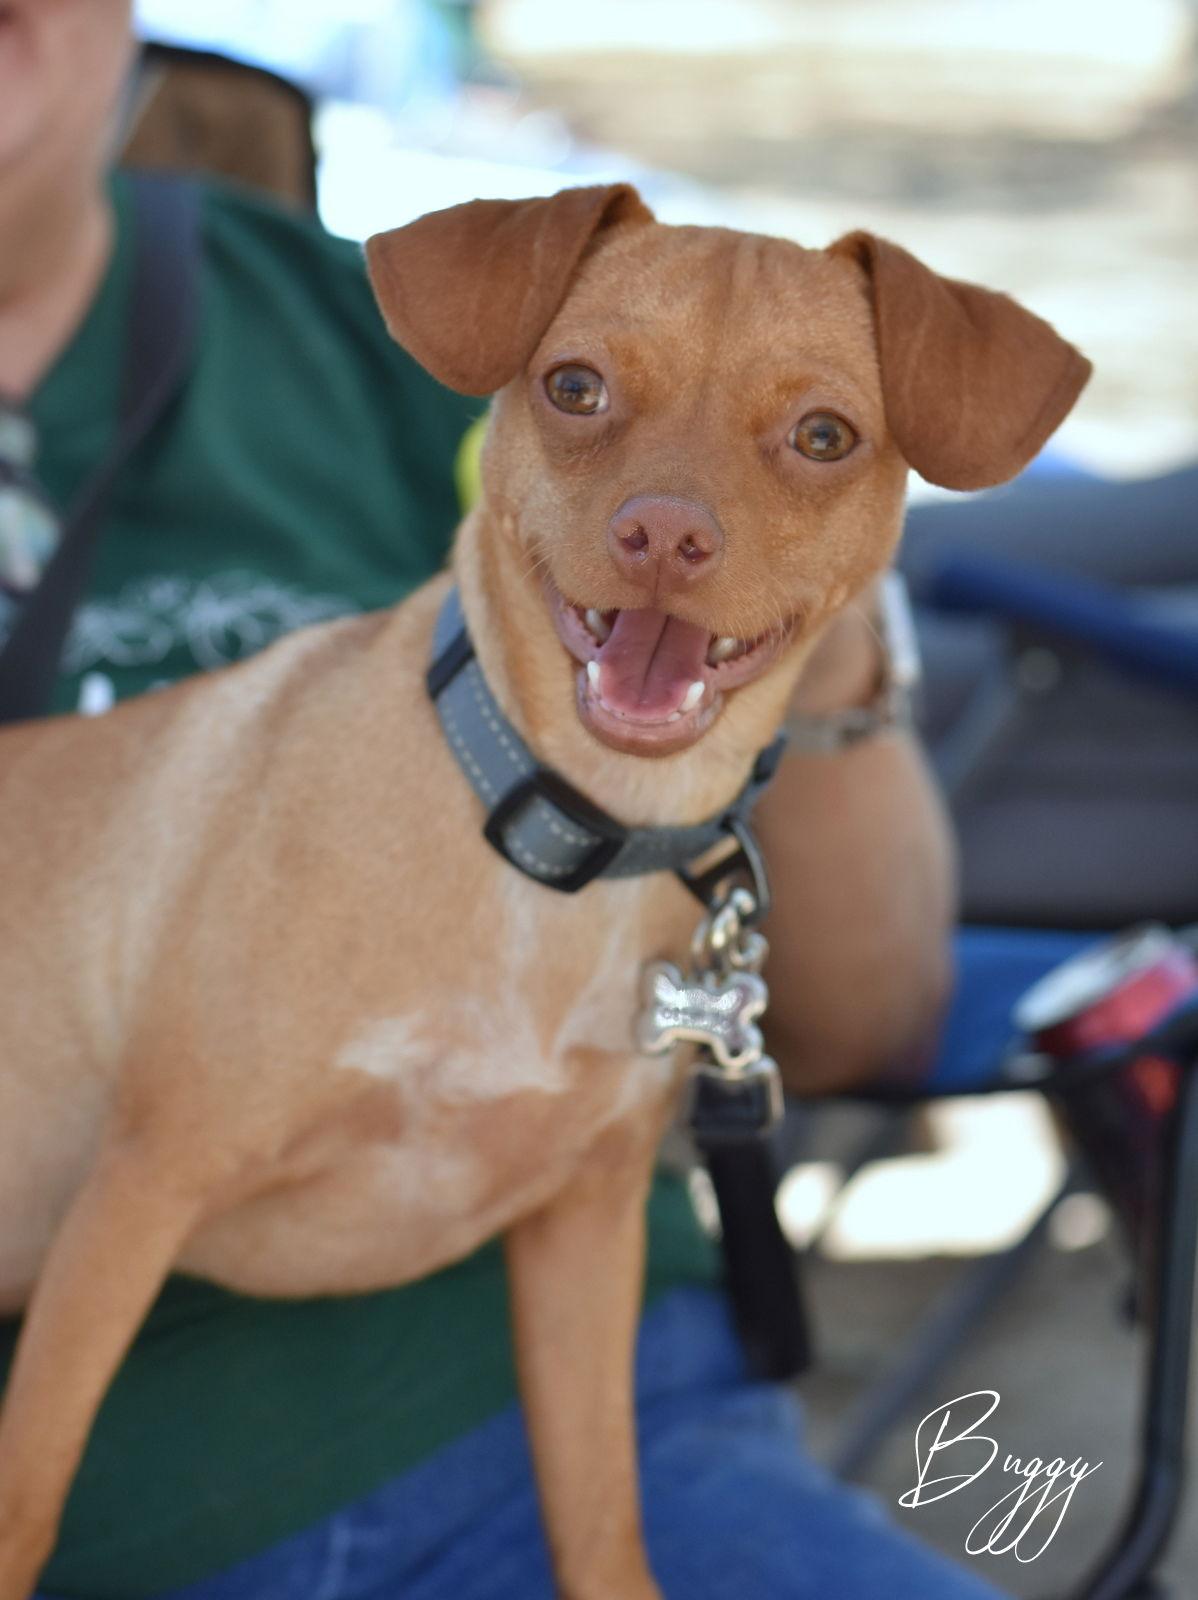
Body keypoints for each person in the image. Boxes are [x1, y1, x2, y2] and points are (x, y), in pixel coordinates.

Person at [0, 4, 999, 1597]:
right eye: (590, 399)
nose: (664, 512)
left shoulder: (354, 328)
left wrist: (818, 628)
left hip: (604, 1448)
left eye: (815, 438)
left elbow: (863, 1024)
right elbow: (154, 1168)